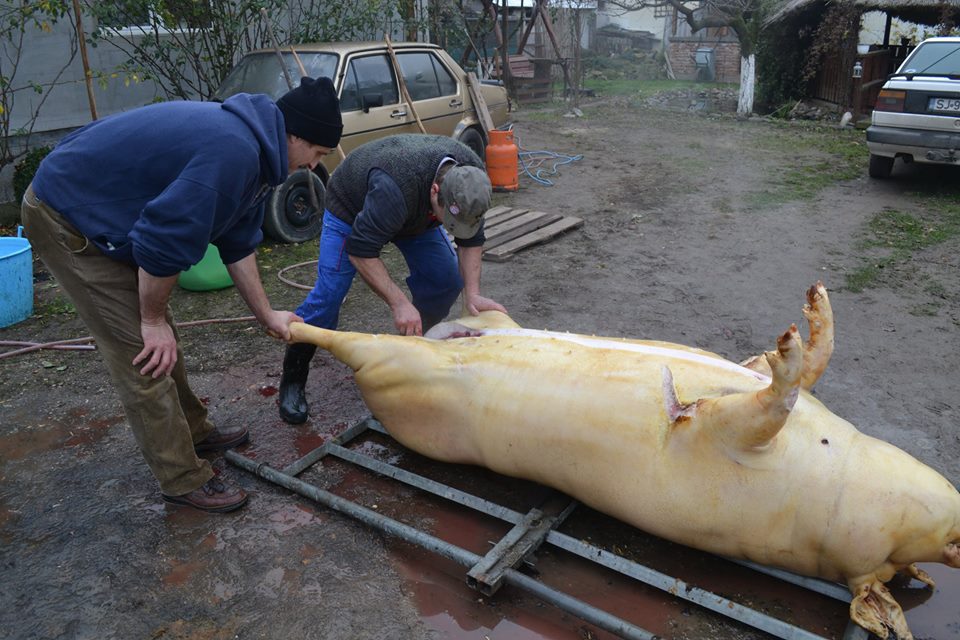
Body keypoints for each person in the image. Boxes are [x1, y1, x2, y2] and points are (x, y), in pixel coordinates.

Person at [20, 77, 343, 513]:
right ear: (296, 135)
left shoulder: (258, 155)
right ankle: (181, 477)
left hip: (102, 205)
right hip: (66, 212)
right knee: (143, 350)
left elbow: (236, 242)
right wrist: (150, 320)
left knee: (160, 333)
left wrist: (267, 314)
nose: (311, 167)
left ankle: (194, 430)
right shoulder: (234, 152)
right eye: (317, 154)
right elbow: (163, 241)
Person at [278, 133, 507, 425]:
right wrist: (399, 303)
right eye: (448, 220)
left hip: (415, 215)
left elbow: (472, 237)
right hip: (352, 209)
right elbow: (360, 251)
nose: (452, 228)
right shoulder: (395, 186)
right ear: (436, 190)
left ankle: (412, 350)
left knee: (446, 279)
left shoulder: (471, 182)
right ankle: (293, 379)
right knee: (329, 295)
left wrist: (472, 294)